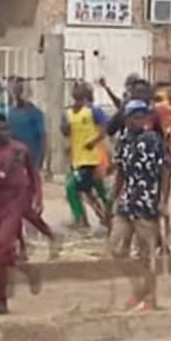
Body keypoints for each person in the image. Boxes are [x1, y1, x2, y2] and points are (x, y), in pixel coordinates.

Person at [0, 113, 53, 315]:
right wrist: (1, 175)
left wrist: (38, 196)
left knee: (1, 247)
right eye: (1, 130)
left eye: (7, 129)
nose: (5, 133)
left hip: (14, 204)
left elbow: (33, 172)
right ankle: (27, 271)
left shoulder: (20, 149)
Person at [110, 101, 169, 310]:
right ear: (126, 120)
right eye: (135, 117)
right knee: (116, 247)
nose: (139, 121)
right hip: (127, 201)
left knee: (147, 254)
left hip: (147, 202)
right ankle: (139, 290)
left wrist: (163, 200)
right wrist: (112, 198)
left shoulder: (153, 140)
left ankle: (150, 299)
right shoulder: (122, 140)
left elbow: (165, 171)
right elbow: (120, 172)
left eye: (142, 117)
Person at [61, 82, 110, 231]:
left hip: (92, 159)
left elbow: (105, 129)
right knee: (95, 190)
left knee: (72, 187)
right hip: (78, 159)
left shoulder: (93, 111)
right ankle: (108, 217)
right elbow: (65, 132)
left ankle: (81, 220)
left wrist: (92, 142)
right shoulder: (69, 113)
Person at [7, 77, 47, 171]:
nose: (18, 93)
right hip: (15, 160)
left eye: (20, 90)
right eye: (15, 90)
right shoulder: (10, 113)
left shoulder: (35, 113)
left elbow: (42, 138)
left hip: (31, 159)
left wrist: (40, 161)